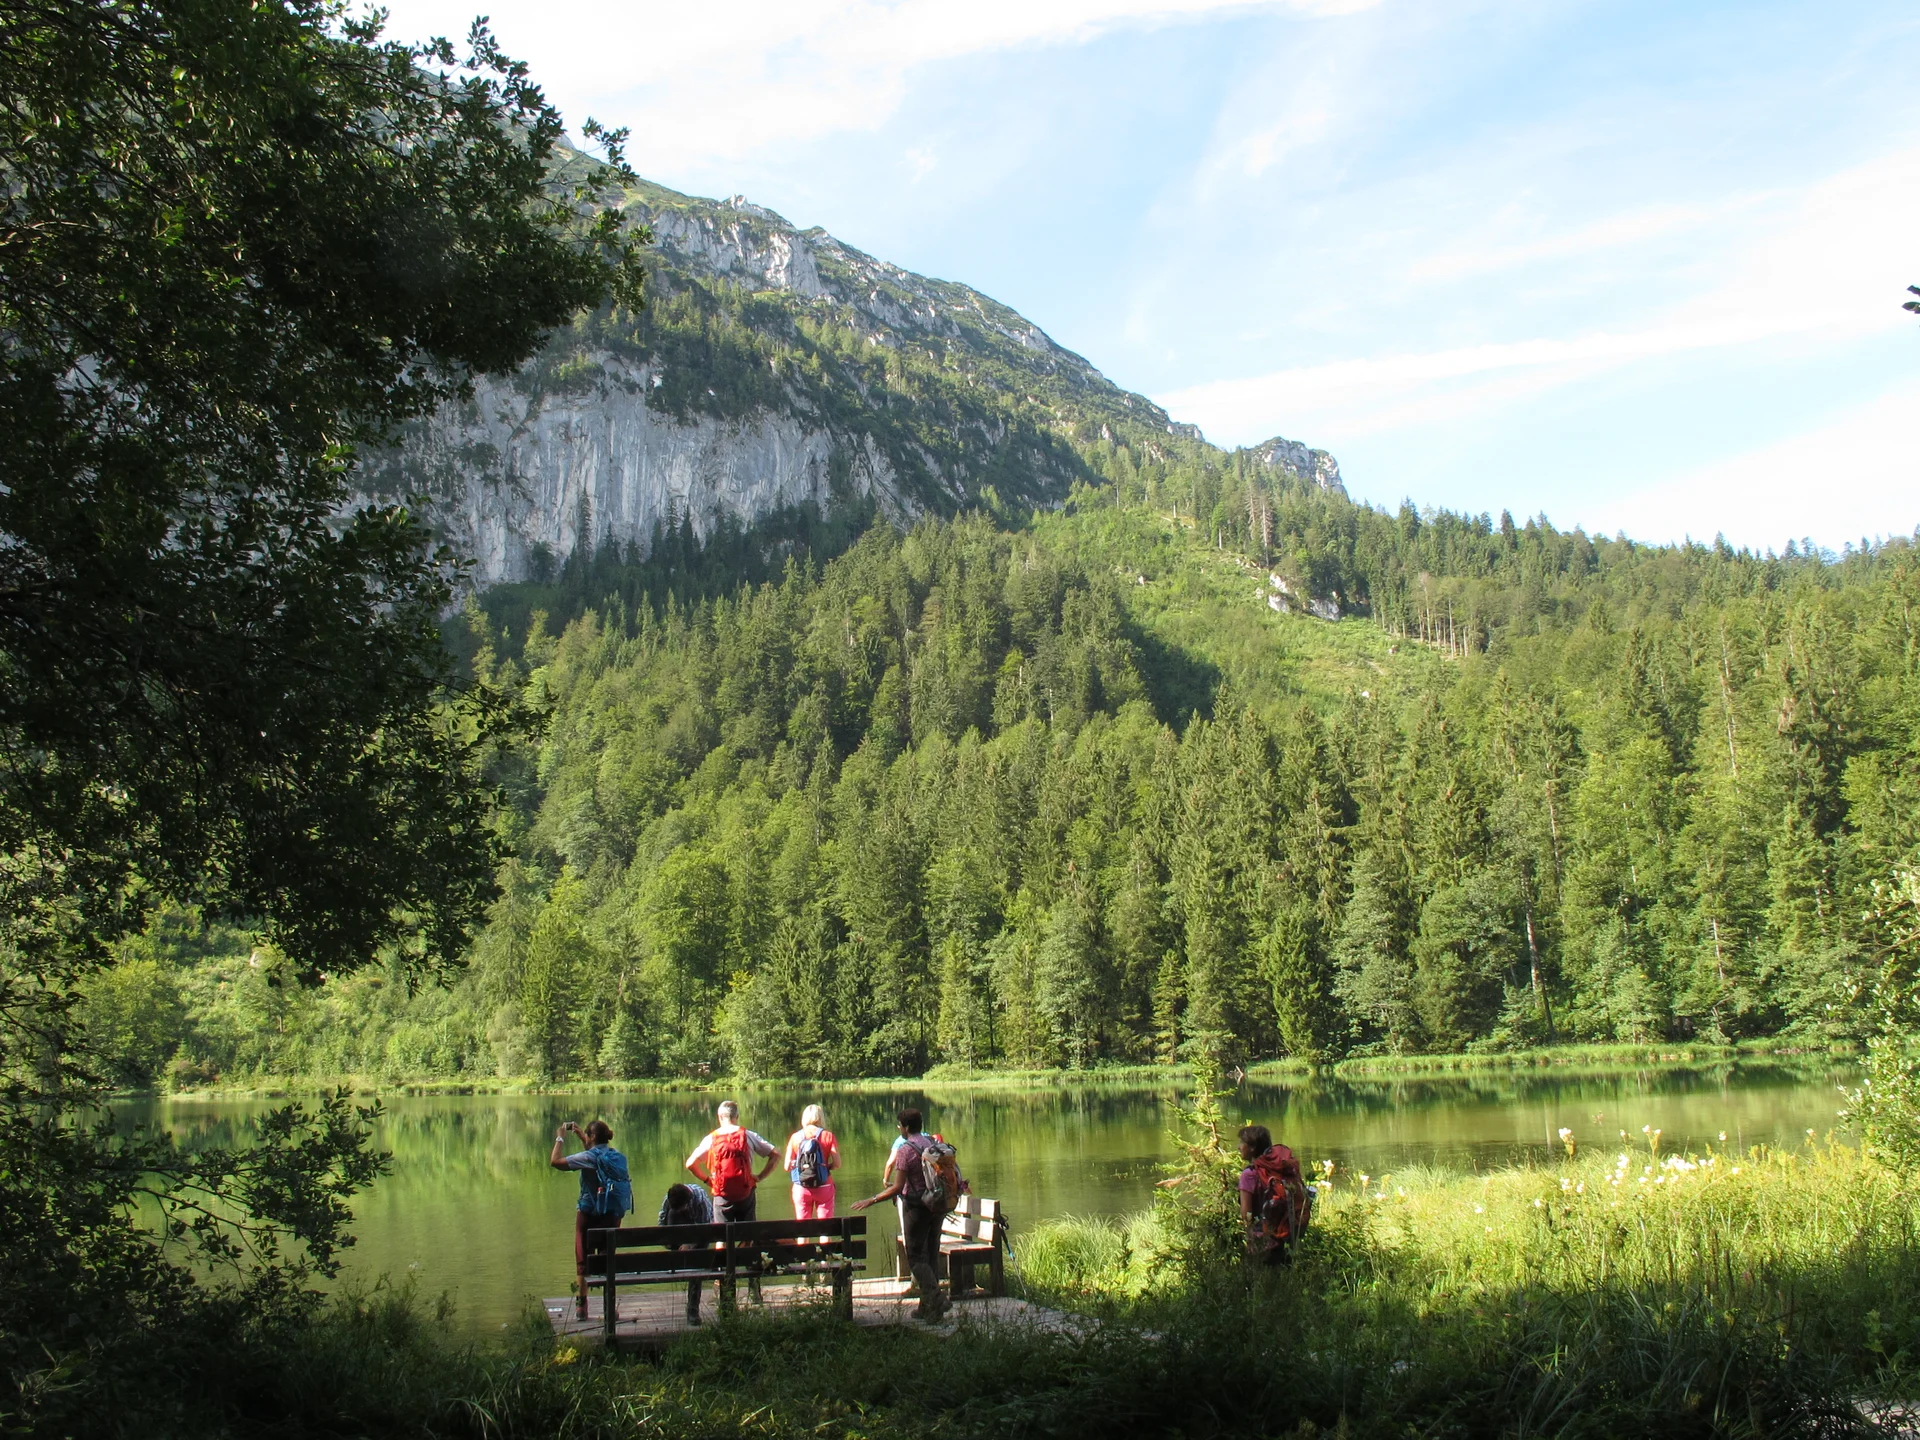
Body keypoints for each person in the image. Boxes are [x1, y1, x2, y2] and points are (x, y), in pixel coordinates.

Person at [850, 1108, 952, 1321]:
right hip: (937, 1206)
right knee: (931, 1254)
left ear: (905, 1127)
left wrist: (872, 1200)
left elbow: (897, 1187)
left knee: (915, 1257)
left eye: (899, 1126)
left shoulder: (906, 1149)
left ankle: (937, 1298)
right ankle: (928, 1310)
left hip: (916, 1207)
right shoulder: (931, 1144)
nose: (899, 1129)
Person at [686, 1100, 778, 1301]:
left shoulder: (712, 1138)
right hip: (746, 1194)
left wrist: (708, 1181)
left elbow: (690, 1163)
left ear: (720, 1117)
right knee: (749, 1238)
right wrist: (759, 1177)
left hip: (721, 1196)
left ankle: (723, 1288)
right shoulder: (748, 1135)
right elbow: (775, 1154)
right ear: (737, 1116)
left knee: (721, 1239)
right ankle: (755, 1291)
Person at [549, 1119, 632, 1320]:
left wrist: (560, 1137)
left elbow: (555, 1162)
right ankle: (609, 1308)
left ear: (592, 1137)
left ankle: (581, 1308)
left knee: (582, 1261)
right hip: (612, 1215)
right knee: (607, 1261)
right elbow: (596, 1155)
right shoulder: (617, 1157)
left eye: (588, 1135)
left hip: (589, 1213)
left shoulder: (588, 1157)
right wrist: (581, 1136)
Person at [1237, 1124, 1312, 1266]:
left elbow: (1246, 1214)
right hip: (1288, 1235)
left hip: (1264, 1241)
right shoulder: (1279, 1168)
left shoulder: (1248, 1174)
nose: (1239, 1147)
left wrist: (1249, 1233)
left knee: (1263, 1283)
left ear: (1252, 1148)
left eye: (1242, 1143)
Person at [660, 1180, 714, 1327]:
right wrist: (669, 1241)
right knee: (671, 1214)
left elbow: (706, 1231)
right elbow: (662, 1221)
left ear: (688, 1202)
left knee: (695, 1268)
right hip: (679, 1236)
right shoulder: (670, 1199)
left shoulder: (700, 1201)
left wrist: (690, 1245)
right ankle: (677, 1257)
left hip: (698, 1236)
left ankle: (692, 1311)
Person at [783, 1103, 842, 1220]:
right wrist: (825, 1167)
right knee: (825, 1228)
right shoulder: (828, 1136)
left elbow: (786, 1166)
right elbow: (837, 1164)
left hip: (801, 1187)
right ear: (821, 1118)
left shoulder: (795, 1137)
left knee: (802, 1229)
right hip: (824, 1185)